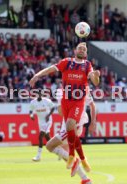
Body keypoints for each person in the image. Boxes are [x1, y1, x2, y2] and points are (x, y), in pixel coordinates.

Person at [29, 42, 100, 172]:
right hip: (67, 102)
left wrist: (96, 76)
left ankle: (73, 157)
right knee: (54, 144)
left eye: (84, 49)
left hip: (78, 102)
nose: (82, 50)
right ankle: (81, 161)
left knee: (69, 127)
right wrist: (37, 75)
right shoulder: (66, 62)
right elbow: (51, 68)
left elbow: (95, 82)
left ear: (86, 53)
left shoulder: (87, 65)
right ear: (75, 50)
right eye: (79, 48)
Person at [46, 89, 96, 184]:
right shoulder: (83, 88)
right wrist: (93, 122)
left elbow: (61, 113)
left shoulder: (62, 91)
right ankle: (85, 179)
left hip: (71, 127)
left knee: (50, 146)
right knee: (64, 154)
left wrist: (61, 102)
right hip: (72, 125)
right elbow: (92, 105)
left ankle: (76, 161)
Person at [30, 89, 55, 162]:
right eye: (37, 94)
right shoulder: (33, 102)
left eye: (40, 94)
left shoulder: (46, 101)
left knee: (40, 136)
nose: (39, 95)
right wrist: (31, 115)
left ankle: (38, 156)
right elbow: (31, 110)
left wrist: (48, 115)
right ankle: (60, 152)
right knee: (48, 140)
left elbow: (53, 107)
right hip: (40, 122)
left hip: (47, 121)